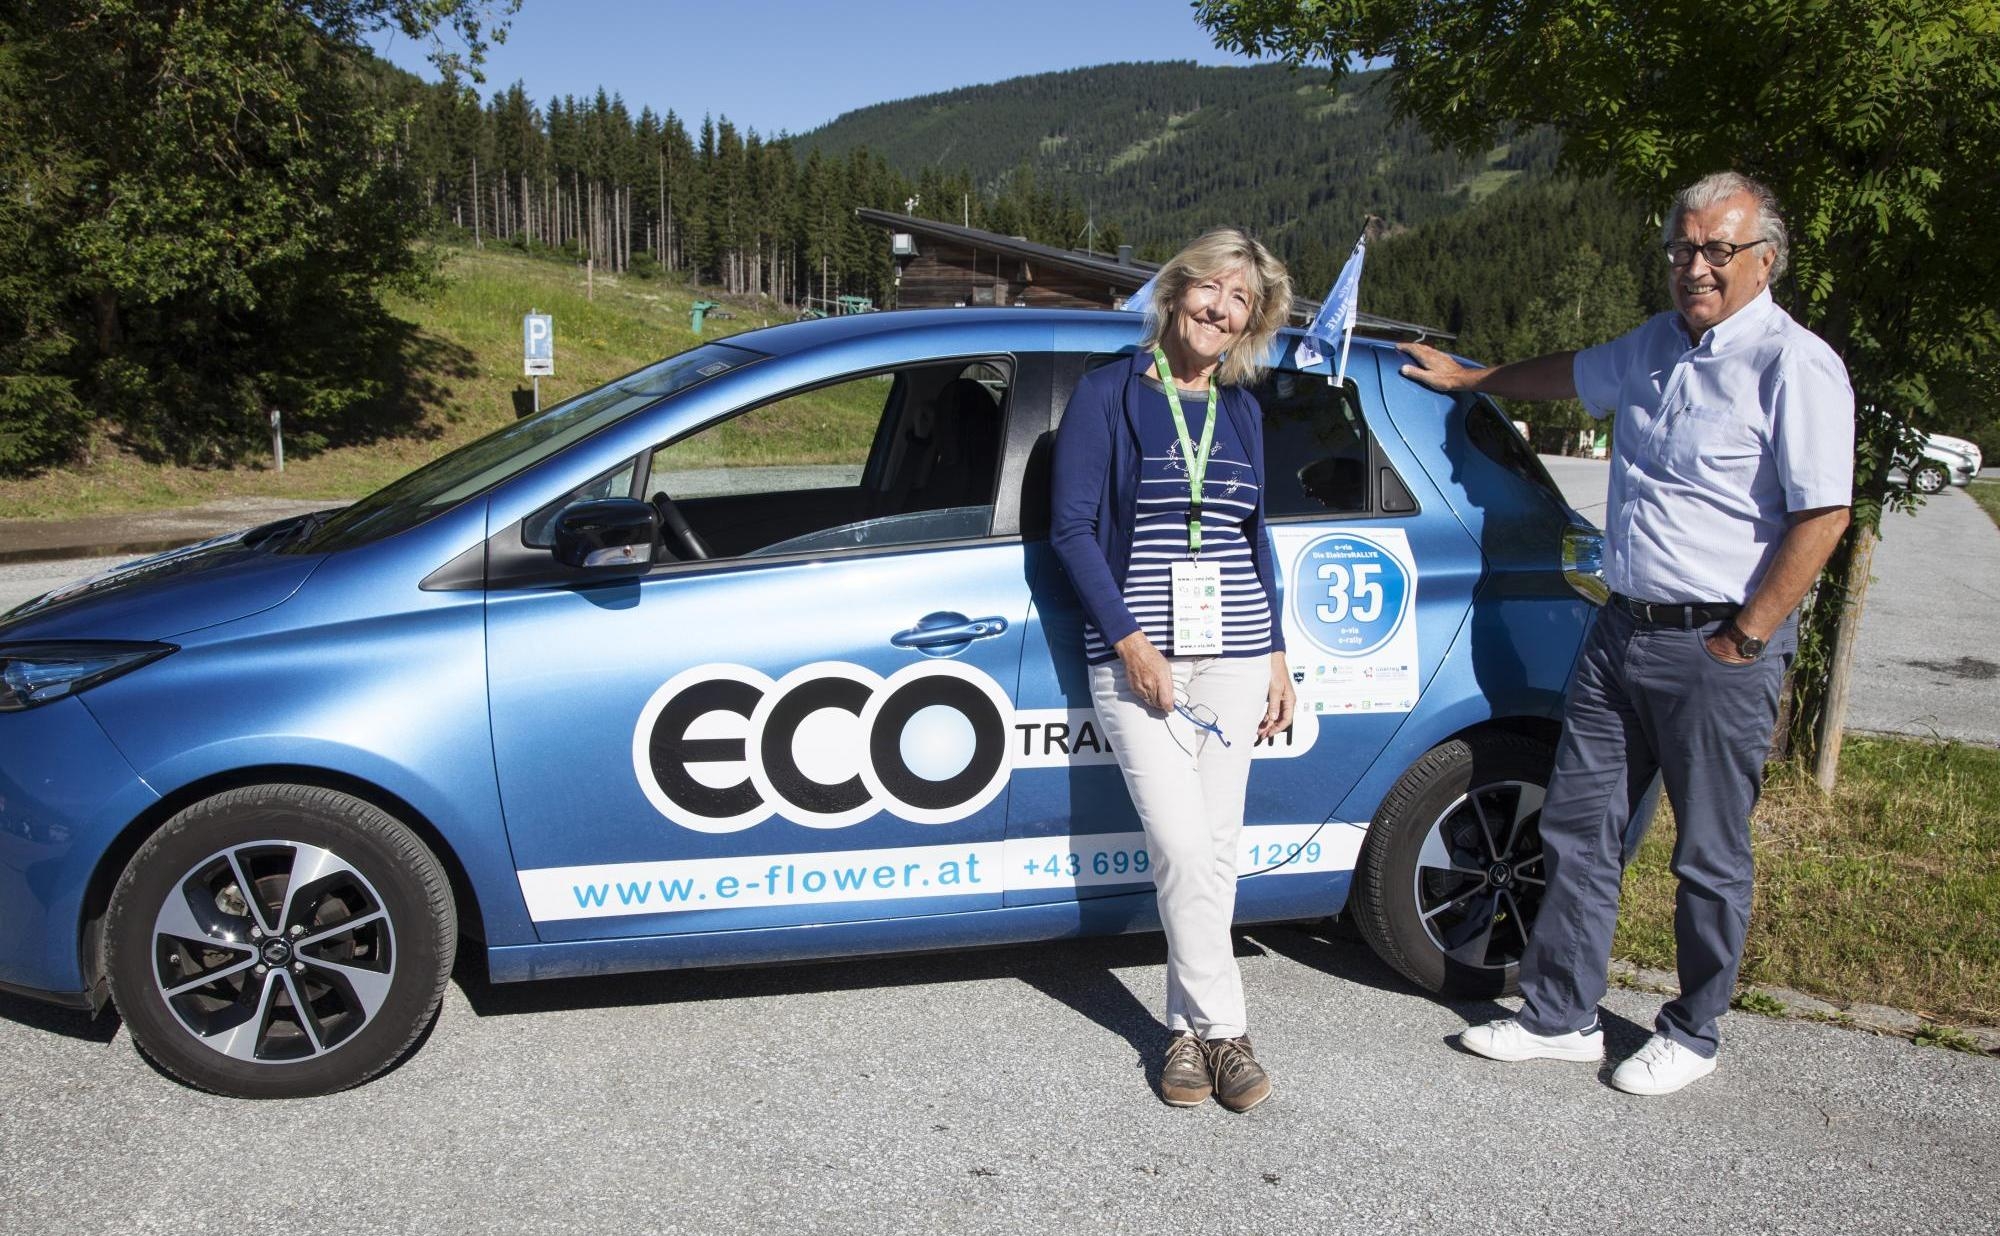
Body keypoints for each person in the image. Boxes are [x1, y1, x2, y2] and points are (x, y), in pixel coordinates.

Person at [1399, 171, 1854, 1095]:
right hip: (1620, 629)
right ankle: (1561, 1016)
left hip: (1716, 643)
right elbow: (1570, 373)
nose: (1695, 266)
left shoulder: (1793, 365)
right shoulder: (1653, 344)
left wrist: (1746, 635)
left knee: (1708, 856)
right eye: (1682, 248)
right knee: (1578, 828)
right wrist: (1473, 379)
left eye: (1717, 250)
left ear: (1764, 259)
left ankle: (1693, 1032)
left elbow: (1824, 517)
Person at [1050, 228, 1297, 1112]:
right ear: (1177, 289)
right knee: (1183, 847)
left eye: (1241, 301)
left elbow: (1252, 539)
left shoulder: (1241, 409)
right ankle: (1228, 1032)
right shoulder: (1108, 393)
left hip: (1237, 653)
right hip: (1140, 659)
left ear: (1251, 323)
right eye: (1211, 289)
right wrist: (1131, 643)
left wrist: (1276, 653)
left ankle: (1184, 1035)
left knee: (1216, 850)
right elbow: (1072, 530)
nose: (1220, 310)